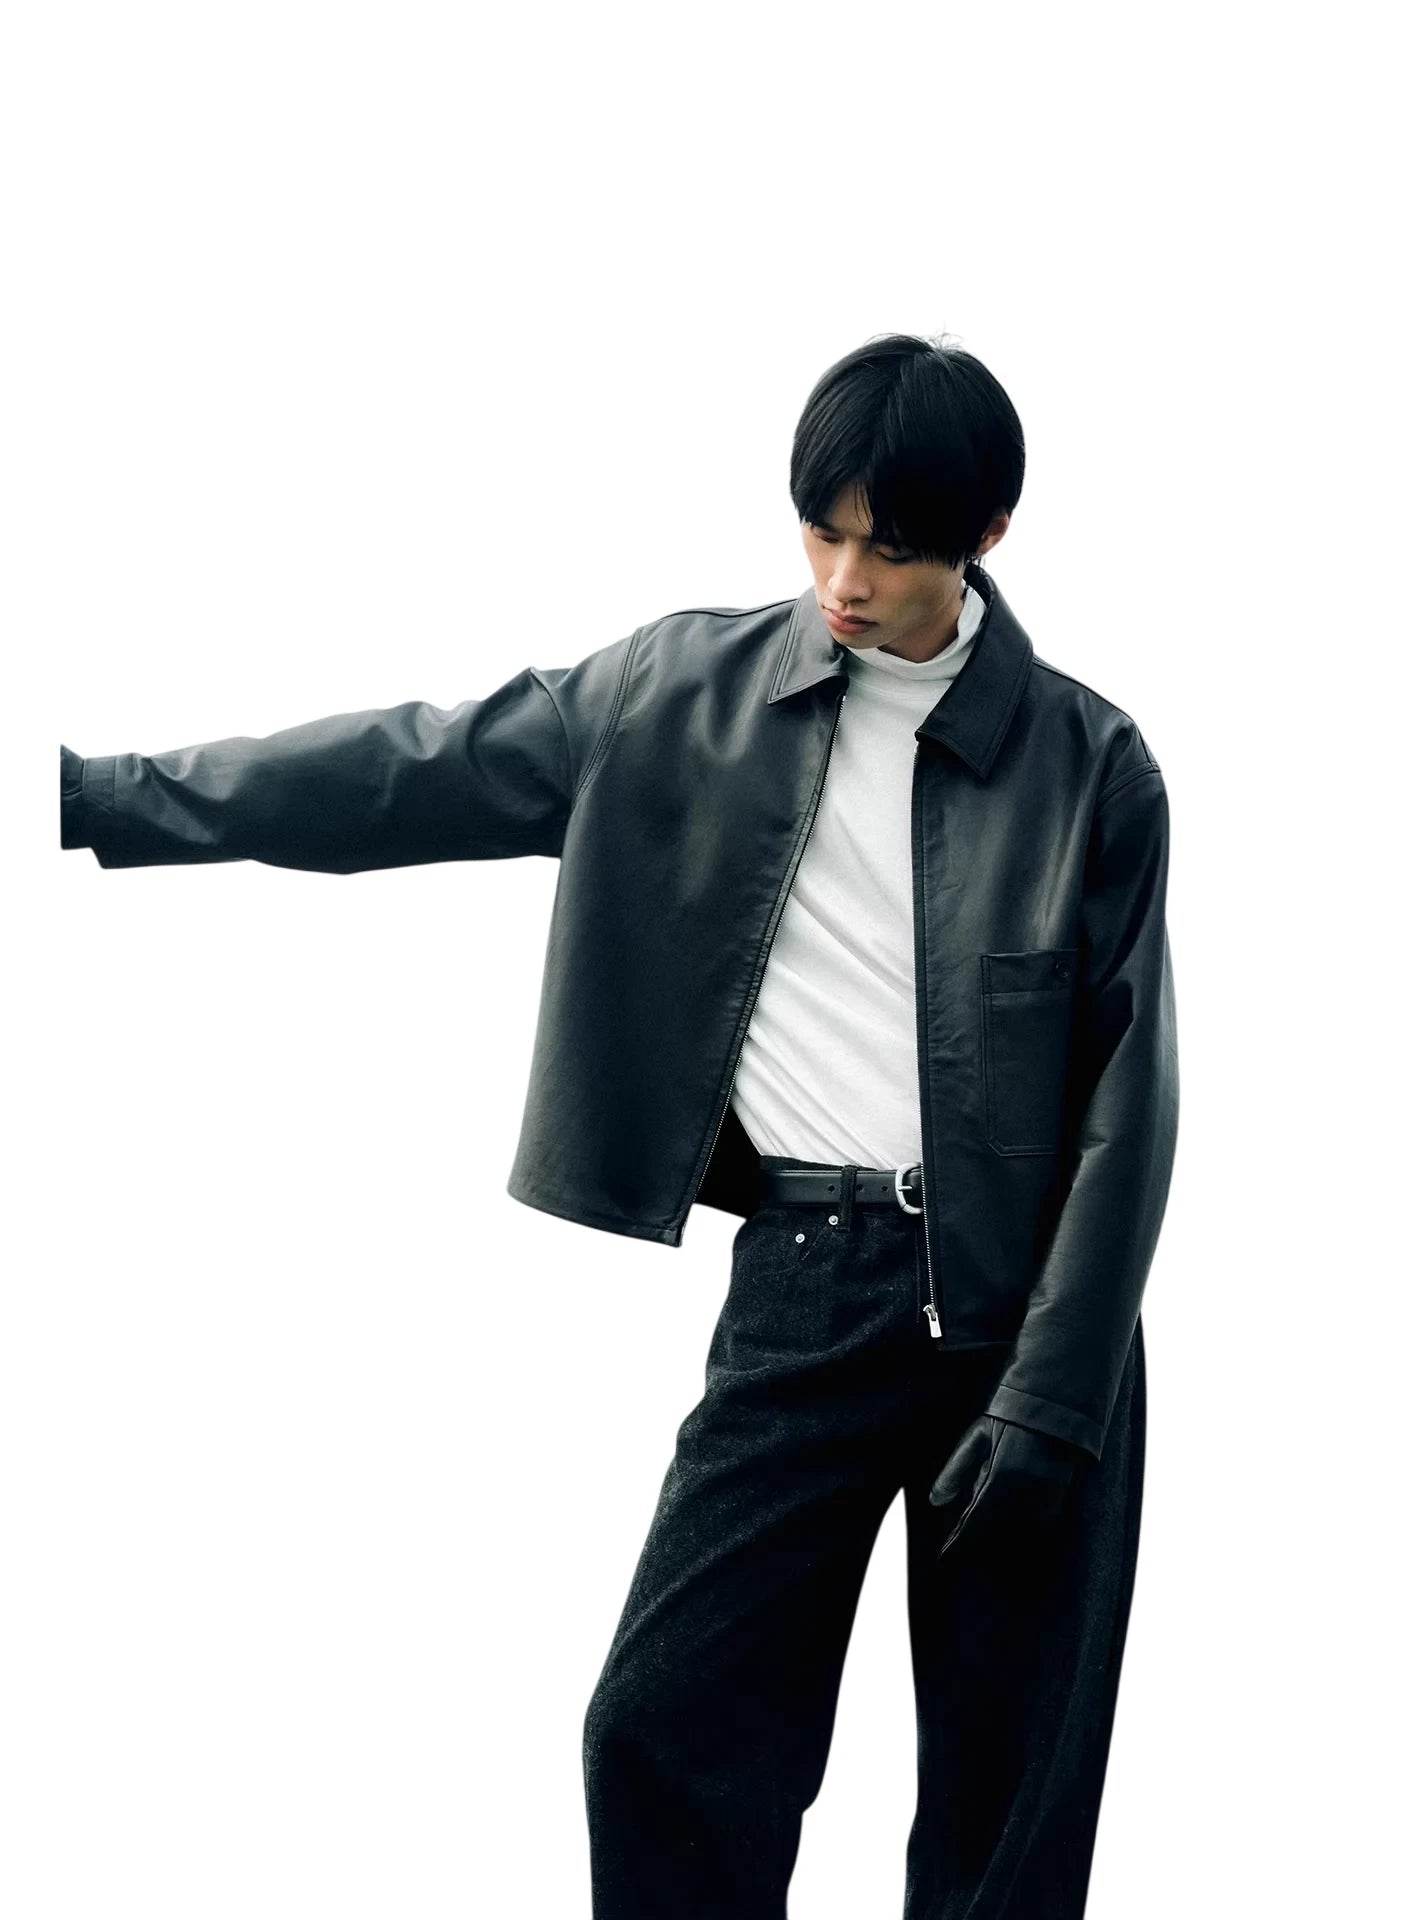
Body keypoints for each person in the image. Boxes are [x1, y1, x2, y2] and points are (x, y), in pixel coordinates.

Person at [60, 332, 1180, 1918]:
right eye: (822, 532)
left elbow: (1131, 1097)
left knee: (1006, 1813)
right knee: (661, 1732)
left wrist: (1056, 1397)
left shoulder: (1089, 764)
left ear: (987, 535)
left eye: (890, 548)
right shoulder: (676, 696)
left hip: (1037, 1318)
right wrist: (98, 795)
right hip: (811, 1283)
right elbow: (405, 769)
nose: (845, 580)